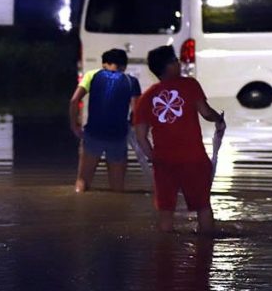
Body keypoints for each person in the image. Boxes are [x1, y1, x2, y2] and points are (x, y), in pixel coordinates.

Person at [133, 45, 226, 234]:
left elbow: (140, 136)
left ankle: (165, 256)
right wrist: (219, 120)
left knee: (166, 213)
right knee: (203, 207)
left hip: (164, 162)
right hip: (194, 159)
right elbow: (206, 112)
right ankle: (206, 253)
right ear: (169, 66)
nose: (179, 63)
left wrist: (154, 158)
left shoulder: (146, 98)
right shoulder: (189, 85)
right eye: (175, 60)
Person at [69, 49, 141, 192]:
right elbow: (137, 111)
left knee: (82, 182)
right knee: (117, 188)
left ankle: (79, 207)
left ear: (104, 64)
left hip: (93, 134)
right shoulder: (131, 81)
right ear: (124, 66)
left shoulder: (92, 75)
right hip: (117, 136)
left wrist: (75, 125)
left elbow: (74, 100)